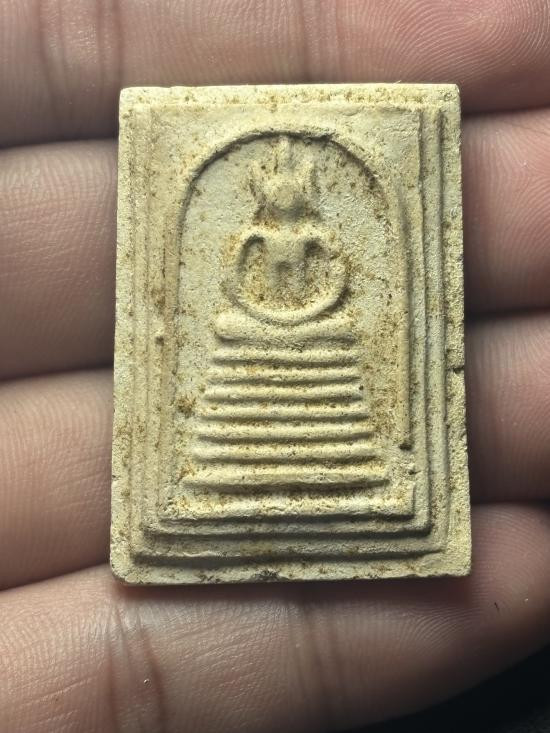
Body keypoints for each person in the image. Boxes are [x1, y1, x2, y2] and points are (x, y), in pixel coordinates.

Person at [1, 1, 549, 730]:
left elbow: (337, 277)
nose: (288, 204)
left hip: (314, 325)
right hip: (257, 325)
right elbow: (234, 282)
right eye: (280, 197)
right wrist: (268, 315)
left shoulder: (317, 231)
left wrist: (308, 312)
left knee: (334, 351)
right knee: (233, 337)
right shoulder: (254, 232)